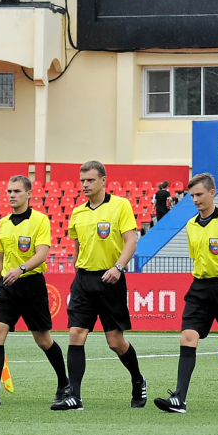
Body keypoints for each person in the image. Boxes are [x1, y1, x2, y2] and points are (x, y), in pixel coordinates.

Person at [155, 173, 218, 413]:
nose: (195, 199)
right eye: (192, 196)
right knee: (187, 338)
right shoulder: (191, 225)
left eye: (199, 194)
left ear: (212, 193)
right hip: (199, 286)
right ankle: (179, 398)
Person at [53, 161, 145, 411]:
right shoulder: (77, 212)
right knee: (75, 334)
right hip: (84, 281)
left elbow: (131, 242)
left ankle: (138, 379)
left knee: (115, 342)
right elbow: (77, 247)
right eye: (82, 180)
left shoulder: (120, 205)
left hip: (111, 279)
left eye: (90, 180)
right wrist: (78, 272)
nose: (85, 184)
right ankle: (75, 396)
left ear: (104, 180)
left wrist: (118, 267)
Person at [0, 175, 69, 406]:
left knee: (43, 340)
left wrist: (21, 269)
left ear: (28, 194)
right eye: (9, 191)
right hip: (6, 288)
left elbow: (42, 254)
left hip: (31, 285)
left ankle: (64, 383)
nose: (12, 195)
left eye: (16, 191)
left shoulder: (40, 220)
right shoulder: (3, 223)